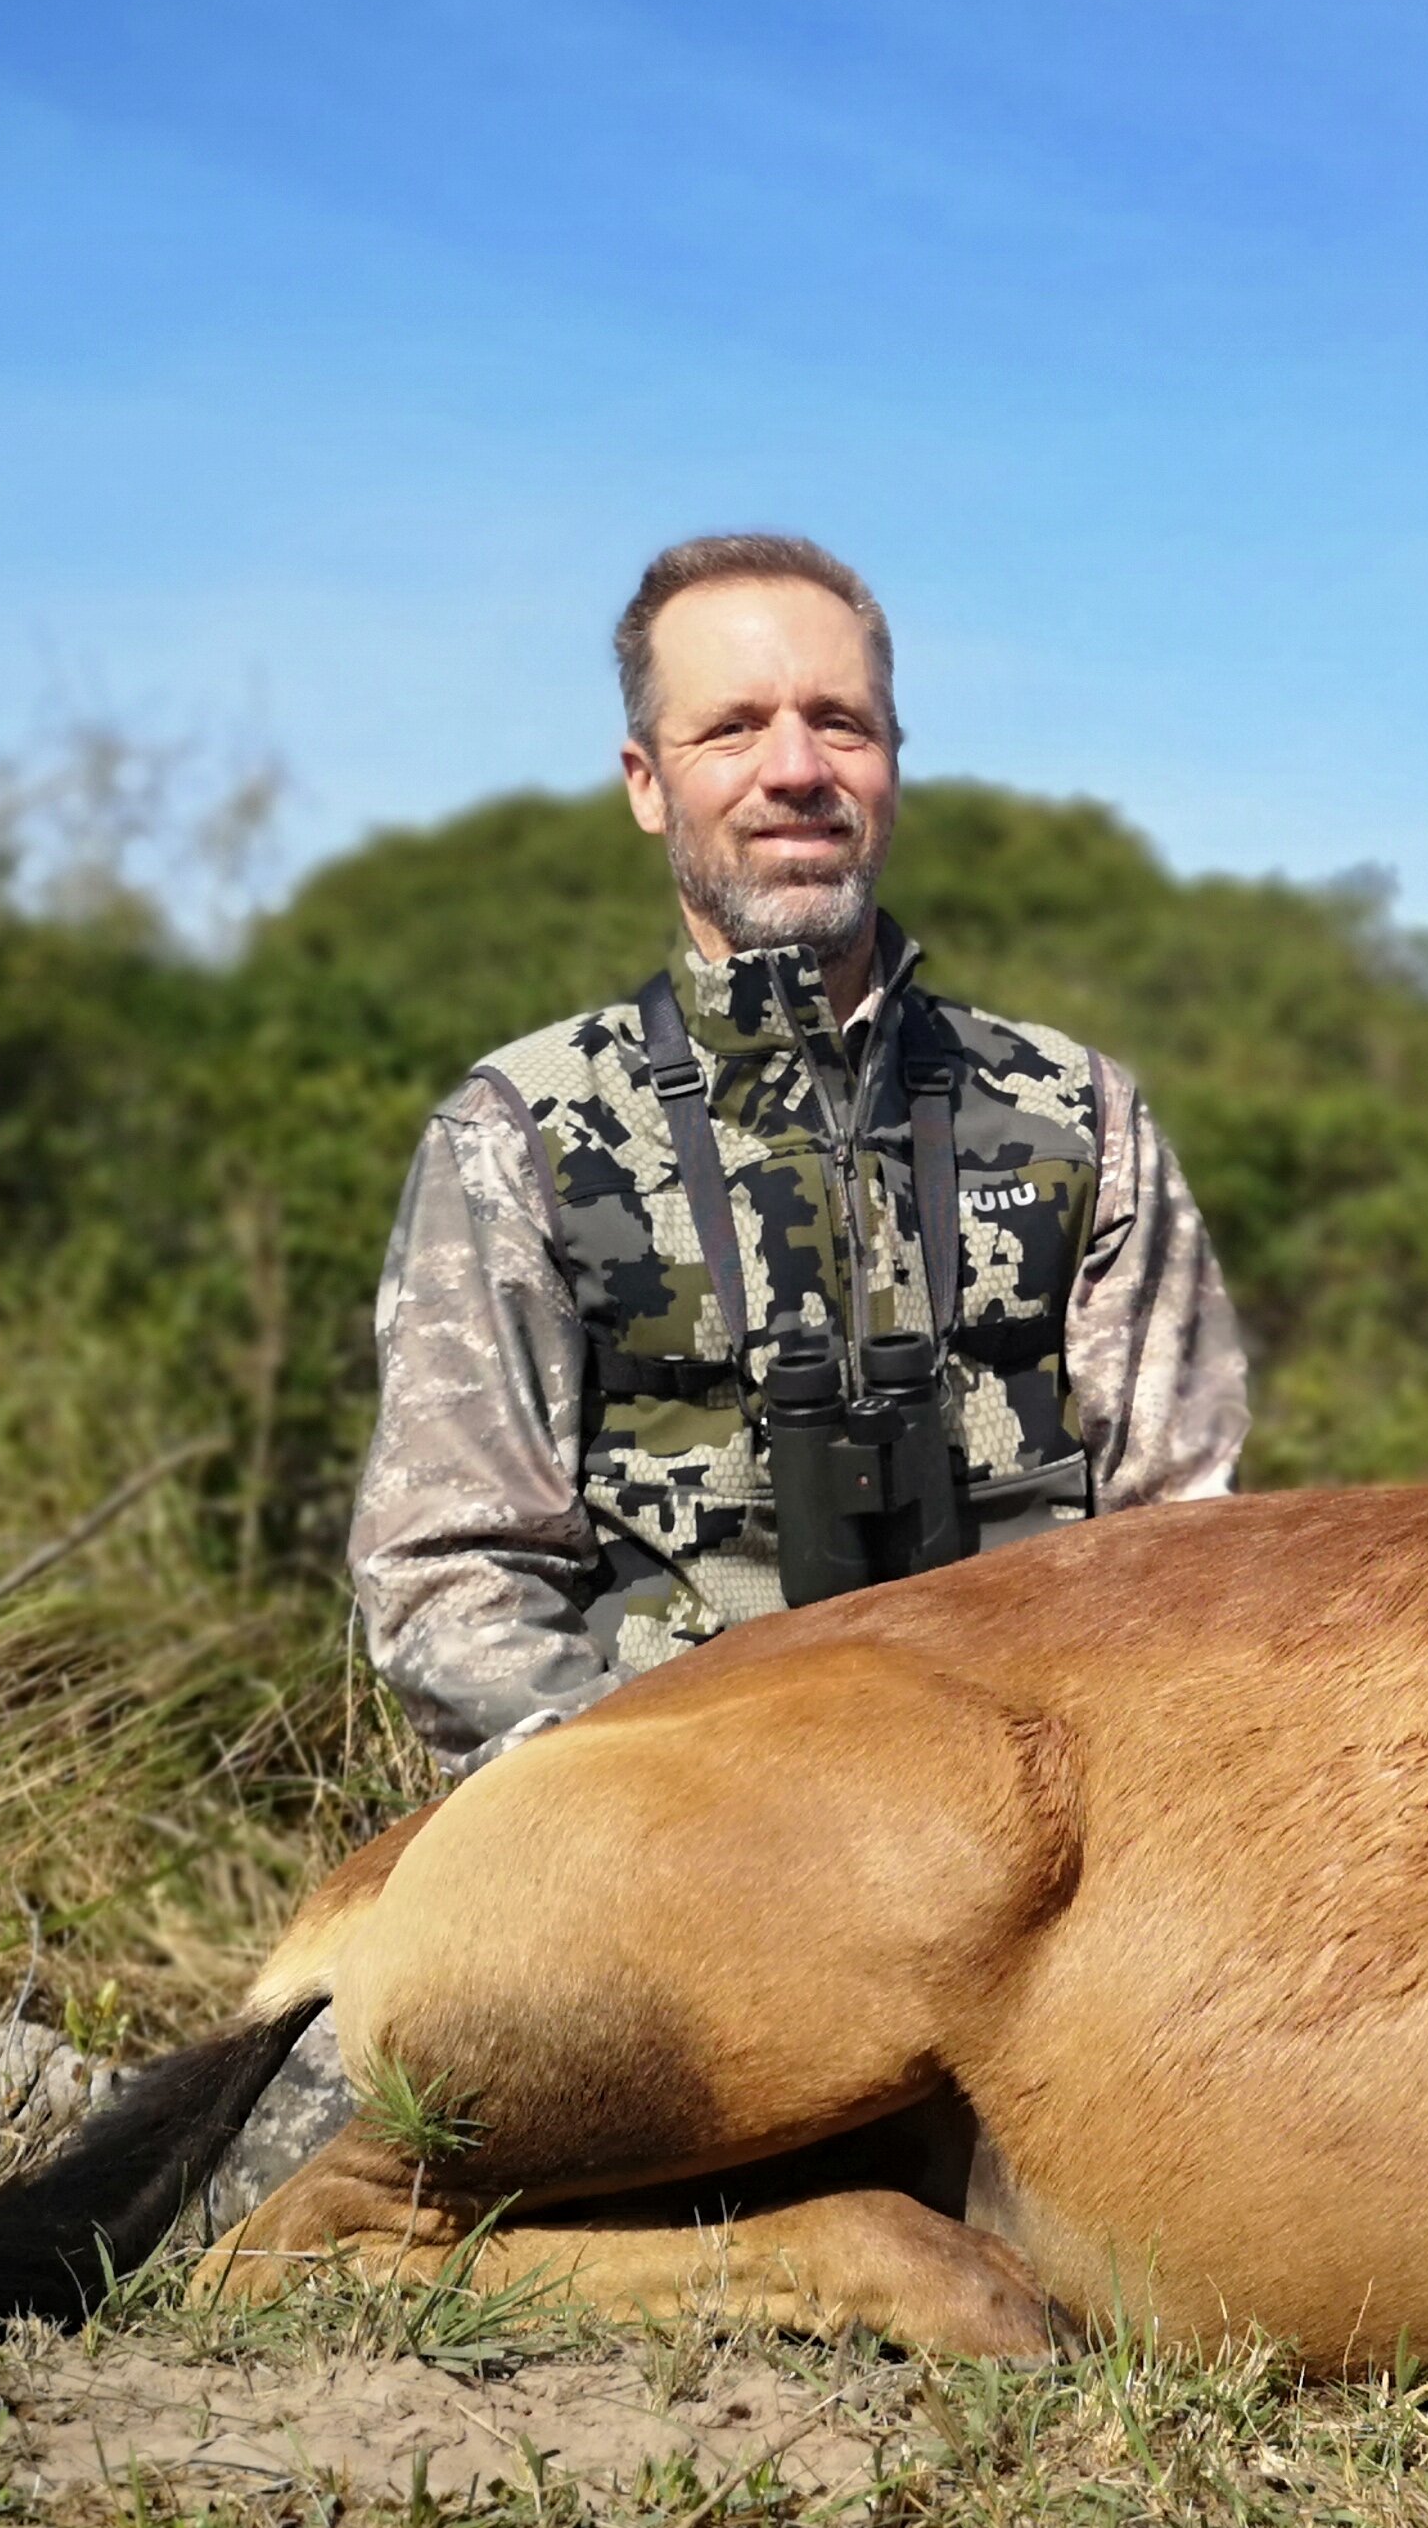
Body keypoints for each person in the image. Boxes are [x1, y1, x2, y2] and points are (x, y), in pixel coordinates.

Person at [348, 530, 1249, 1774]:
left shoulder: (1076, 1108)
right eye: (731, 729)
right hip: (671, 1812)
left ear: (891, 765)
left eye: (840, 722)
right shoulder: (520, 1130)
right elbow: (449, 1573)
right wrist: (653, 1809)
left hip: (1045, 1800)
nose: (794, 769)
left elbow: (1187, 1539)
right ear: (646, 781)